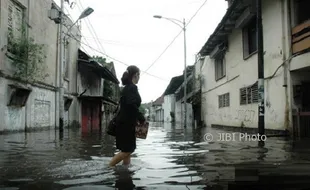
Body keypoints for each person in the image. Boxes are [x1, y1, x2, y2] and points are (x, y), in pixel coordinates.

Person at [109, 65, 146, 167]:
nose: (139, 77)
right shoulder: (132, 88)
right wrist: (141, 117)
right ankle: (109, 167)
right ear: (136, 75)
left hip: (124, 123)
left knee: (127, 150)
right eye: (139, 75)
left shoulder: (127, 88)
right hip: (126, 124)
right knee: (128, 150)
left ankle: (126, 170)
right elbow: (131, 105)